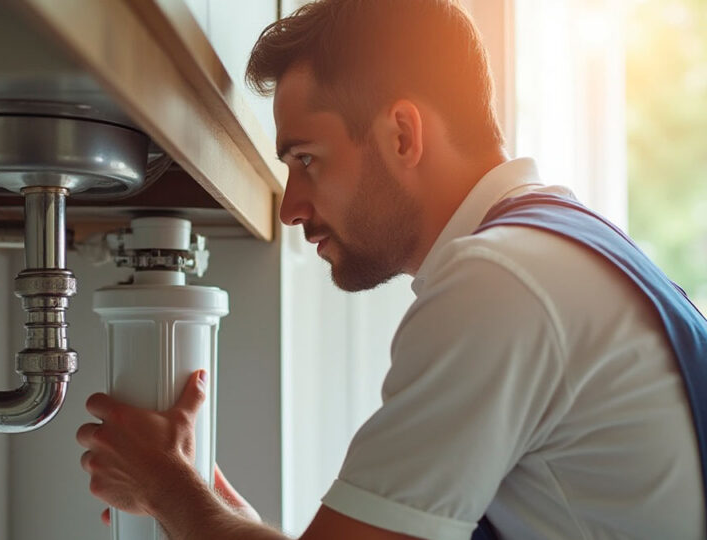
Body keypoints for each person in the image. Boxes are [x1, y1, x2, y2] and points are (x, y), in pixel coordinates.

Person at [76, 1, 707, 538]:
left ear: (402, 134)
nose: (291, 208)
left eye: (307, 159)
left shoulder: (496, 284)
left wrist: (166, 489)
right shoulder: (556, 252)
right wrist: (213, 512)